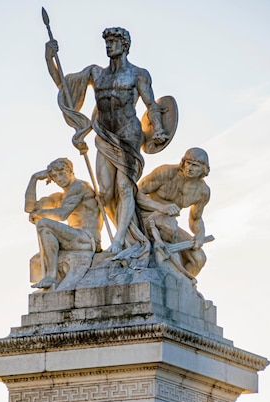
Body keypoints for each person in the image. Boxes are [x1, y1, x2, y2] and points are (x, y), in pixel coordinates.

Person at [45, 27, 169, 254]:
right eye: (107, 42)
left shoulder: (138, 74)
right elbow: (65, 88)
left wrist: (159, 129)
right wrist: (49, 57)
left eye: (113, 41)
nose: (109, 46)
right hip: (104, 135)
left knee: (124, 187)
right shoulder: (96, 73)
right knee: (104, 192)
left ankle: (120, 240)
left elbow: (152, 106)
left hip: (128, 136)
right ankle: (121, 236)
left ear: (124, 45)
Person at [24, 158, 102, 289]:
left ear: (70, 171)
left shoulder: (80, 186)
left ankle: (51, 276)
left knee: (44, 223)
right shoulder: (60, 196)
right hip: (75, 239)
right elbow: (29, 209)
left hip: (88, 239)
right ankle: (51, 277)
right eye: (54, 176)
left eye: (62, 173)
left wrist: (39, 214)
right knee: (43, 234)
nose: (59, 178)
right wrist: (34, 178)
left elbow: (62, 214)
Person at [136, 148, 211, 276]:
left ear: (203, 168)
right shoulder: (166, 172)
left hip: (170, 225)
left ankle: (181, 288)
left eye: (195, 165)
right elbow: (136, 192)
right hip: (145, 217)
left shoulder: (203, 191)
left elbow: (196, 219)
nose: (189, 168)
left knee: (199, 258)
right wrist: (160, 207)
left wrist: (200, 233)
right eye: (188, 163)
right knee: (169, 227)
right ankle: (167, 274)